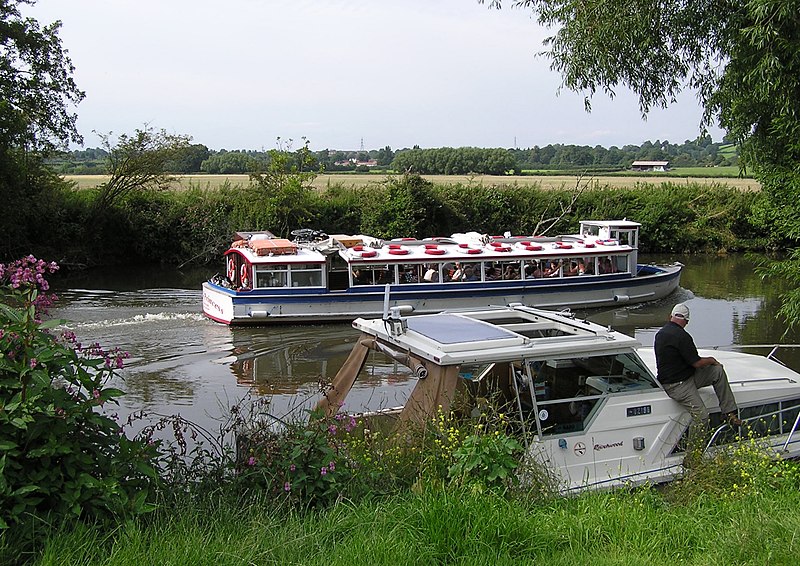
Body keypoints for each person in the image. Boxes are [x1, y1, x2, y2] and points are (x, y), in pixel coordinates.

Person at [654, 303, 742, 433]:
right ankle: (693, 453)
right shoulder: (682, 336)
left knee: (717, 372)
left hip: (684, 378)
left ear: (670, 316)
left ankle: (728, 412)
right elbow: (697, 363)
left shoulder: (660, 334)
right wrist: (712, 360)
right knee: (702, 418)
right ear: (686, 321)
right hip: (678, 386)